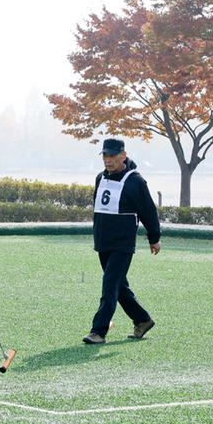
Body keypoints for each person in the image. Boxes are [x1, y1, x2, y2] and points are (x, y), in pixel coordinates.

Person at [83, 138, 160, 344]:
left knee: (109, 286)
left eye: (112, 156)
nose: (108, 160)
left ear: (123, 156)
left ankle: (98, 331)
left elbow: (148, 211)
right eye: (105, 156)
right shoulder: (100, 178)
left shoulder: (135, 181)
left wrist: (154, 238)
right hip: (103, 241)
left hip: (123, 244)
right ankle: (143, 320)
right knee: (118, 287)